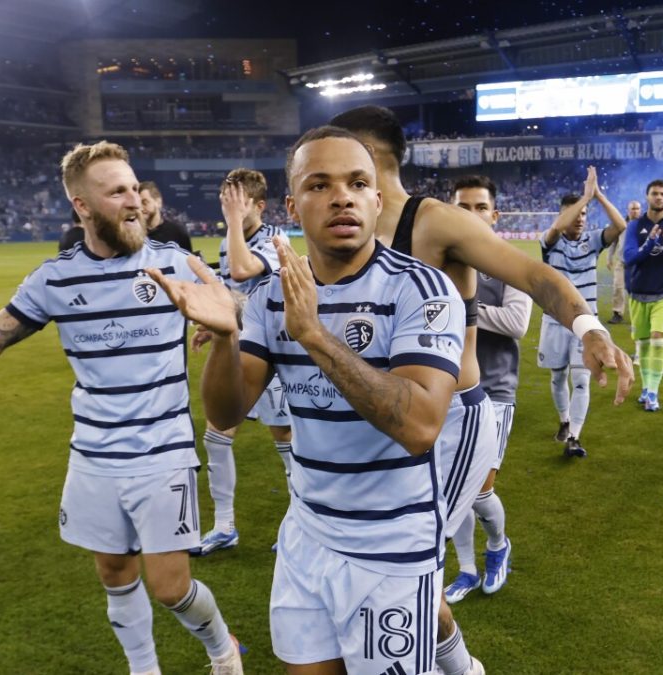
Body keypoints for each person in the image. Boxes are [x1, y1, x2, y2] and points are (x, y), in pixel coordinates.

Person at [0, 141, 244, 674]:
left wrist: (224, 315)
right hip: (93, 455)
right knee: (113, 573)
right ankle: (143, 669)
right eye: (117, 191)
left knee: (171, 587)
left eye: (133, 186)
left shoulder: (175, 263)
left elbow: (232, 300)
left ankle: (222, 650)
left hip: (162, 451)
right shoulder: (54, 279)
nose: (134, 200)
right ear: (82, 206)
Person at [149, 126, 462, 675]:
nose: (341, 196)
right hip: (308, 530)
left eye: (357, 183)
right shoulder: (272, 295)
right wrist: (225, 338)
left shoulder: (420, 289)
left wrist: (315, 336)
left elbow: (419, 425)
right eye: (320, 185)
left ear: (377, 200)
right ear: (293, 206)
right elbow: (226, 413)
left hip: (390, 540)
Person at [330, 105, 631, 675]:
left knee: (399, 565)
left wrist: (589, 328)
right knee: (397, 566)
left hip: (453, 423)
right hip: (389, 415)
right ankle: (463, 667)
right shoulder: (344, 229)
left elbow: (536, 275)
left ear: (367, 158)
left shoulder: (434, 221)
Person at [195, 169, 292, 556]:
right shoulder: (227, 242)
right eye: (225, 201)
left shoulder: (275, 239)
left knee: (285, 440)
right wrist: (212, 324)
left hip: (274, 353)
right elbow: (230, 292)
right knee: (216, 435)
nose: (228, 208)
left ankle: (300, 523)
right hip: (240, 350)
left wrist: (234, 221)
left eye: (237, 202)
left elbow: (241, 270)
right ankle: (223, 527)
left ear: (259, 206)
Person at [445, 175, 532, 604]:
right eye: (463, 207)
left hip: (495, 390)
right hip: (443, 389)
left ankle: (498, 546)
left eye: (481, 207)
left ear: (495, 215)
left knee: (478, 489)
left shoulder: (510, 263)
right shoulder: (437, 262)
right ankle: (465, 569)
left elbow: (517, 323)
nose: (472, 215)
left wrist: (460, 309)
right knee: (450, 487)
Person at [537, 172, 627, 455]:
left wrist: (596, 195)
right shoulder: (548, 241)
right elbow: (557, 227)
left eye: (584, 213)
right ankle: (563, 421)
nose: (580, 217)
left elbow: (620, 225)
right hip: (554, 321)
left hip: (586, 325)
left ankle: (574, 437)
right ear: (563, 215)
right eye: (574, 213)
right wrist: (583, 198)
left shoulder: (593, 240)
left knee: (580, 379)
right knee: (557, 377)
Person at [623, 179, 663, 412]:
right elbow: (629, 258)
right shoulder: (635, 225)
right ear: (647, 196)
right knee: (645, 345)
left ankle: (652, 392)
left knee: (658, 341)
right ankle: (646, 386)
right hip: (638, 292)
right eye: (654, 193)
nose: (659, 197)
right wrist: (651, 241)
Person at [603, 200, 641, 324]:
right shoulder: (620, 224)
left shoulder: (645, 225)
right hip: (622, 263)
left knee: (640, 290)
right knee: (618, 288)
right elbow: (613, 242)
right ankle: (617, 313)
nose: (635, 211)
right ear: (628, 210)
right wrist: (609, 258)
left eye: (637, 209)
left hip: (639, 263)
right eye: (633, 209)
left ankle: (642, 314)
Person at [139, 181, 194, 251]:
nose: (140, 208)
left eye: (145, 203)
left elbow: (186, 260)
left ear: (158, 202)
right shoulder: (131, 234)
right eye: (138, 203)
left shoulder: (178, 233)